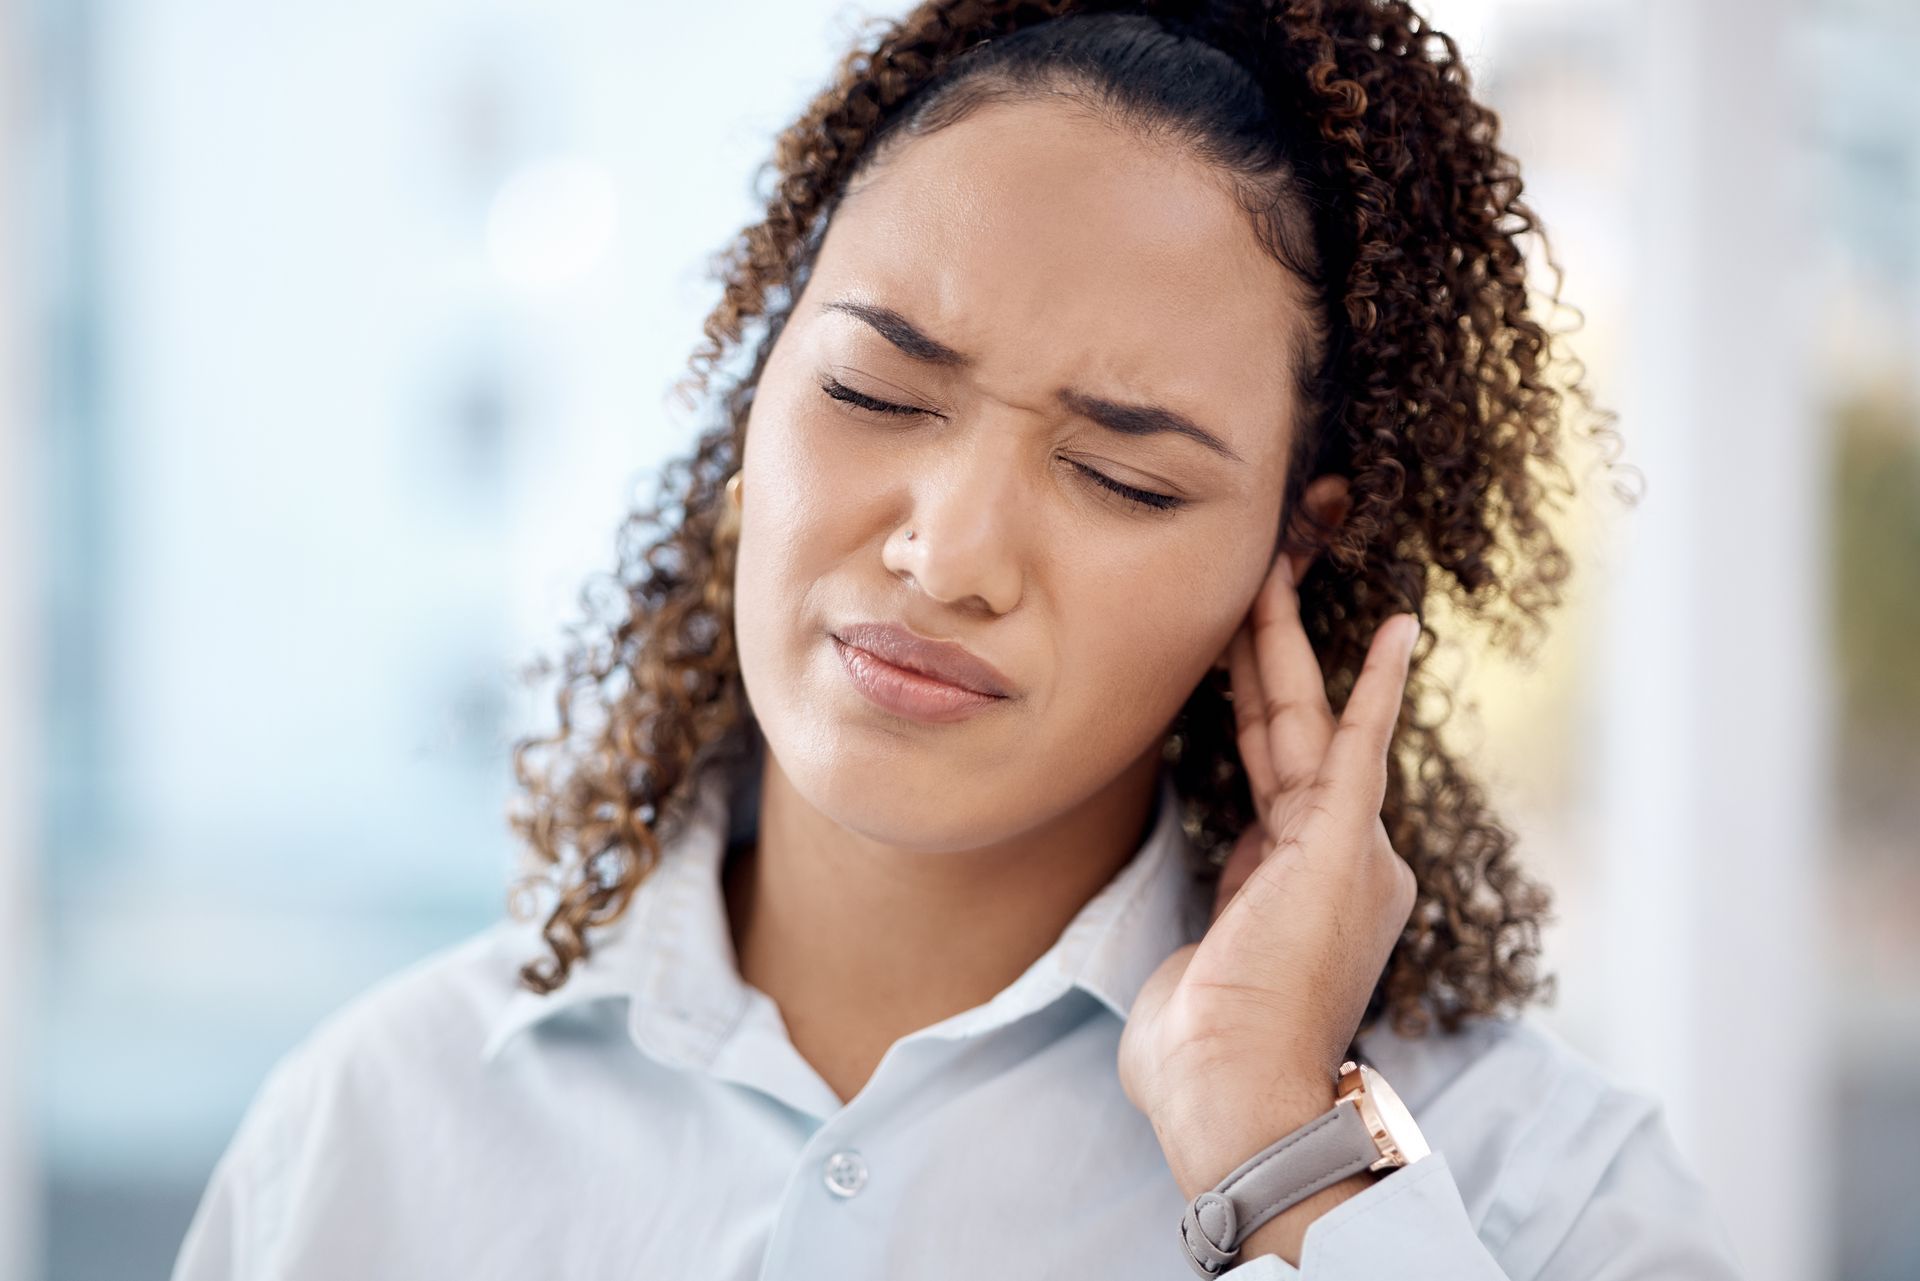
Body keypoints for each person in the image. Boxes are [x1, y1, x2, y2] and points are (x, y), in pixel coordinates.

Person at [171, 2, 1748, 1278]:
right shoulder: (372, 1131)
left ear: (1289, 548)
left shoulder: (1545, 1197)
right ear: (756, 390)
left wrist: (1275, 1142)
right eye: (869, 390)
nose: (948, 549)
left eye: (1123, 473)